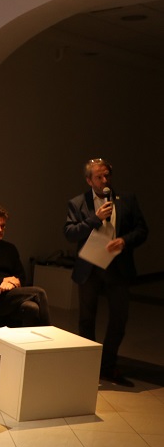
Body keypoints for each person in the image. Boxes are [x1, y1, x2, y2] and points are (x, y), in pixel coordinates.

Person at [64, 158, 148, 386]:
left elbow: (142, 230)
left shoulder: (127, 200)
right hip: (89, 268)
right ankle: (88, 366)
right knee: (86, 319)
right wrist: (95, 219)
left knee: (119, 318)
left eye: (107, 175)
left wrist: (124, 240)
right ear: (89, 180)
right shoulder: (77, 203)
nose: (104, 180)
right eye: (99, 177)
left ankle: (108, 366)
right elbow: (70, 233)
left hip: (118, 268)